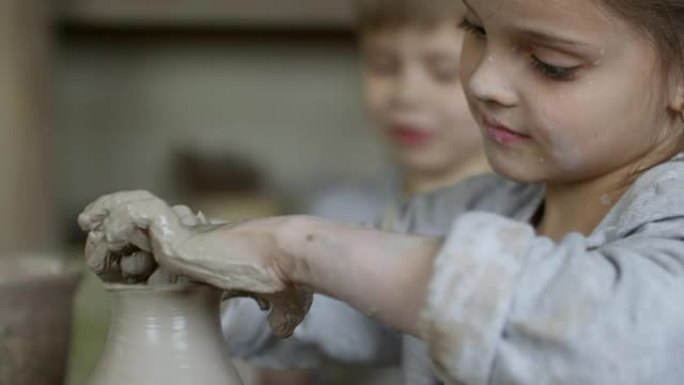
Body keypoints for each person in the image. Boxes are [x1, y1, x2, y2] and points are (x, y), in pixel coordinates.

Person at [79, 0, 684, 383]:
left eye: (551, 62)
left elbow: (616, 337)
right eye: (474, 27)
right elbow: (337, 309)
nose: (483, 80)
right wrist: (188, 263)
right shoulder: (464, 212)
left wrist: (295, 244)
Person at [242, 0, 489, 383]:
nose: (405, 94)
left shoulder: (522, 222)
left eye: (442, 72)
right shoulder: (333, 212)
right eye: (383, 65)